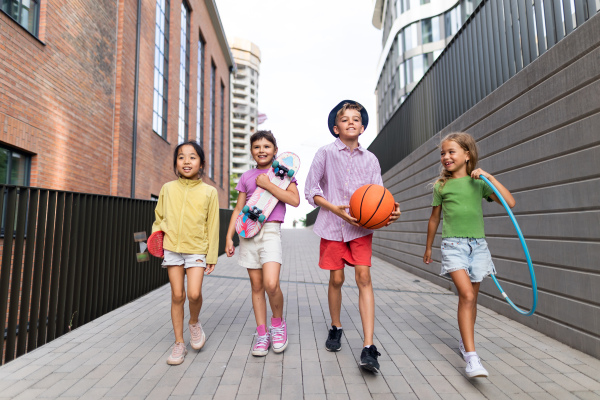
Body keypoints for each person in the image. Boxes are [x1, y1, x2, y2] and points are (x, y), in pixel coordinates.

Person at [304, 100, 400, 373]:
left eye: (356, 118)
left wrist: (392, 211)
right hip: (332, 226)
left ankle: (369, 346)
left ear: (363, 127)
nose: (350, 122)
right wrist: (333, 207)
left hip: (360, 228)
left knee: (364, 277)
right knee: (336, 278)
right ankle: (336, 327)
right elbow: (311, 190)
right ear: (336, 127)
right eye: (344, 119)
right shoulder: (324, 153)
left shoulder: (371, 160)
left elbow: (380, 195)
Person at [423, 132, 515, 378]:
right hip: (453, 246)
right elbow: (434, 219)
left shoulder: (479, 183)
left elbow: (510, 202)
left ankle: (466, 342)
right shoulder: (441, 186)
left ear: (467, 154)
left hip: (479, 247)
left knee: (471, 299)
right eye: (443, 153)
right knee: (465, 295)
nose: (446, 157)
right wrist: (429, 246)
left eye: (451, 152)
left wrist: (489, 176)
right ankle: (472, 359)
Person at [225, 130, 300, 356]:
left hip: (270, 231)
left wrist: (268, 185)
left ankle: (277, 325)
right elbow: (239, 209)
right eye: (257, 147)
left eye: (266, 146)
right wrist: (229, 237)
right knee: (256, 286)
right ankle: (261, 333)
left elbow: (294, 200)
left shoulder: (283, 174)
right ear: (251, 152)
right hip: (247, 233)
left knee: (271, 284)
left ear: (275, 151)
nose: (262, 150)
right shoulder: (246, 177)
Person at [152, 141, 219, 365]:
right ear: (175, 163)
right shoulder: (167, 189)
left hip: (197, 249)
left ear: (201, 164)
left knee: (194, 294)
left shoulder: (209, 192)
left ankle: (194, 322)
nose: (186, 161)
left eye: (192, 157)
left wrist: (211, 256)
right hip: (172, 249)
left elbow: (213, 225)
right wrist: (156, 238)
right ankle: (179, 343)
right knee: (177, 295)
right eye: (181, 157)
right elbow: (159, 218)